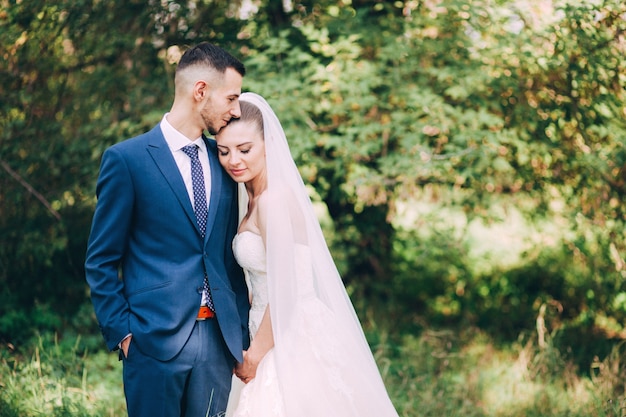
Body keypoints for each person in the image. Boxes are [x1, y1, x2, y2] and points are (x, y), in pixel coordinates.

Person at [84, 42, 250, 417]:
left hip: (218, 346)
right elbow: (101, 260)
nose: (236, 110)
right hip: (151, 343)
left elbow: (227, 253)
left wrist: (239, 333)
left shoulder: (225, 160)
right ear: (201, 91)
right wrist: (125, 335)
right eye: (232, 97)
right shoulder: (126, 160)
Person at [216, 92, 399, 416]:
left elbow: (285, 287)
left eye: (245, 149)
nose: (234, 160)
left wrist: (255, 357)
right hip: (266, 326)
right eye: (224, 151)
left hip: (287, 333)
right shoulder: (252, 198)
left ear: (267, 144)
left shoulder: (272, 201)